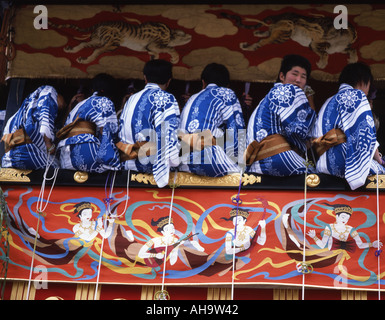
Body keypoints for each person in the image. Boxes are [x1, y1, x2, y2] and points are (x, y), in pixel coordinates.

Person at [312, 62, 385, 190]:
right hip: (342, 163)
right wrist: (379, 159)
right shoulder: (357, 95)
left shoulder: (328, 101)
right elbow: (364, 132)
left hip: (323, 164)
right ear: (363, 81)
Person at [245, 54, 316, 176]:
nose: (298, 80)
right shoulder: (287, 91)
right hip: (274, 157)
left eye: (303, 76)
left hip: (256, 162)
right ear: (282, 76)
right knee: (315, 176)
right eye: (294, 74)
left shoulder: (269, 96)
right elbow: (301, 131)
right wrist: (310, 96)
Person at [117, 59, 180, 188]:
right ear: (169, 81)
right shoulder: (165, 97)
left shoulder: (131, 99)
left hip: (125, 166)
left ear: (145, 78)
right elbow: (168, 138)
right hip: (149, 168)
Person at [178, 63, 245, 177]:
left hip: (182, 160)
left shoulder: (192, 97)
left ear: (203, 82)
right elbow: (237, 131)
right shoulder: (226, 93)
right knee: (242, 176)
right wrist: (238, 160)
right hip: (207, 158)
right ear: (227, 85)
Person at [56, 73, 121, 173]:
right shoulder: (104, 101)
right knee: (115, 170)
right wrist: (113, 163)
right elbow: (108, 133)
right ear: (112, 93)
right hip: (84, 156)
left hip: (65, 158)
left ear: (92, 90)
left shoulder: (79, 104)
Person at [1, 85, 66, 169]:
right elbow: (45, 121)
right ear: (59, 95)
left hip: (11, 158)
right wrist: (48, 144)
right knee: (59, 169)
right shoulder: (49, 91)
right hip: (29, 152)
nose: (63, 105)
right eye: (64, 103)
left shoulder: (24, 111)